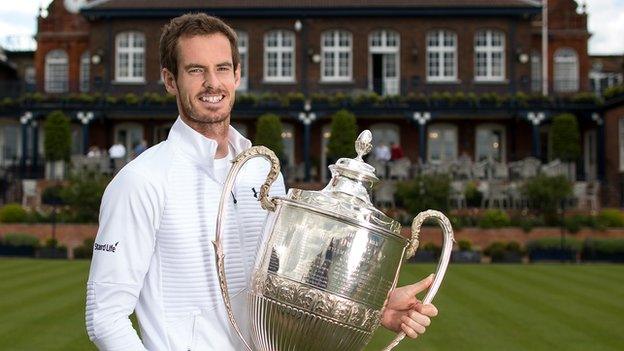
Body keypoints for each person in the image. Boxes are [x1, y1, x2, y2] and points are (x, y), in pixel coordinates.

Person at [86, 13, 437, 351]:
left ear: (237, 75)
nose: (213, 83)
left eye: (222, 68)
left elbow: (284, 283)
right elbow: (104, 317)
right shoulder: (140, 181)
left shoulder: (261, 169)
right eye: (196, 70)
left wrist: (374, 308)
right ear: (170, 80)